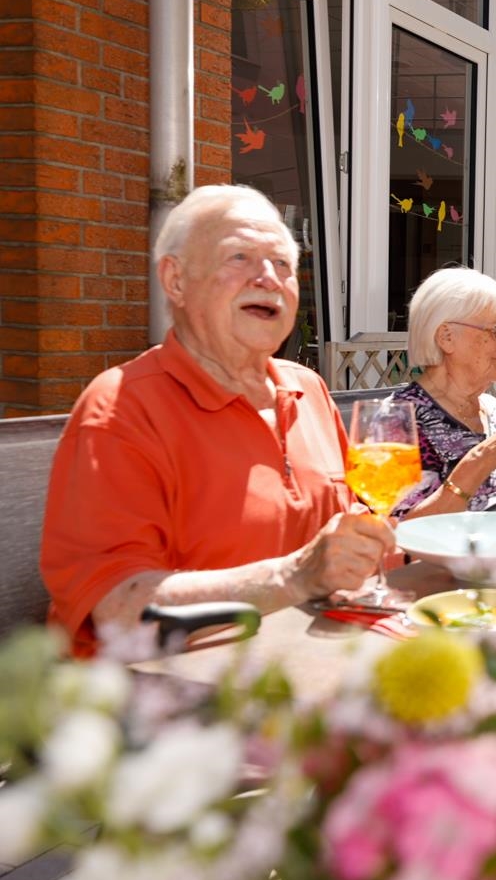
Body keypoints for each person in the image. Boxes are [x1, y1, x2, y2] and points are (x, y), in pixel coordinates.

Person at [41, 185, 392, 656]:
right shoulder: (121, 408)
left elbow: (351, 535)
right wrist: (293, 576)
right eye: (239, 257)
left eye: (283, 264)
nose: (268, 277)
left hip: (297, 674)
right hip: (160, 702)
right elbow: (116, 607)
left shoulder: (307, 389)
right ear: (176, 280)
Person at [387, 268, 496, 518]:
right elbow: (400, 532)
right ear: (446, 337)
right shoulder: (398, 421)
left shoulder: (494, 408)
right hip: (458, 557)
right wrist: (482, 459)